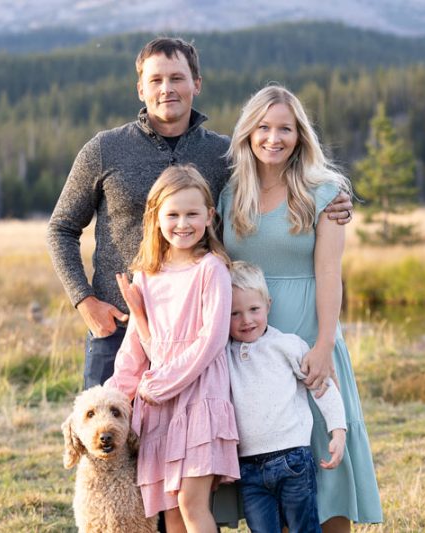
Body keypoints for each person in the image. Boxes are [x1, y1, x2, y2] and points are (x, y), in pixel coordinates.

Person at [46, 37, 354, 392]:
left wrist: (331, 196)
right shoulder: (104, 149)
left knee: (190, 441)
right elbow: (61, 229)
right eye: (156, 80)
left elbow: (277, 173)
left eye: (177, 78)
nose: (166, 89)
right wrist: (84, 301)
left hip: (198, 335)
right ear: (140, 89)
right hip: (119, 324)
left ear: (197, 84)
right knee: (106, 441)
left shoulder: (224, 155)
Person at [217, 85, 382, 532]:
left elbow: (329, 271)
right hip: (250, 342)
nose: (274, 138)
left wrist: (325, 343)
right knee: (269, 453)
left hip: (309, 330)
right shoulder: (231, 194)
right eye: (264, 128)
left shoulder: (323, 191)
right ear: (249, 133)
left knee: (322, 458)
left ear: (300, 135)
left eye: (285, 128)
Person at [105, 164, 240, 533]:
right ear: (156, 218)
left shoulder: (211, 269)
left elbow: (211, 340)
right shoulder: (147, 273)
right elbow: (138, 345)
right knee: (170, 511)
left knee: (191, 502)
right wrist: (116, 396)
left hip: (198, 397)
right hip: (158, 408)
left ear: (209, 216)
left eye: (192, 214)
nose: (183, 223)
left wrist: (163, 384)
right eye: (173, 214)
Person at [228, 260, 347, 533]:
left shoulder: (287, 345)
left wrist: (338, 432)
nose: (246, 320)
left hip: (293, 460)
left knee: (304, 528)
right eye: (235, 313)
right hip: (249, 469)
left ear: (268, 305)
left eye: (254, 309)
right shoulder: (225, 354)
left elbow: (322, 387)